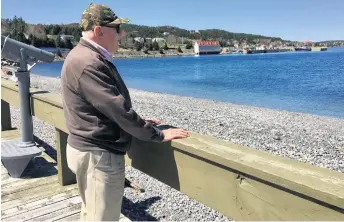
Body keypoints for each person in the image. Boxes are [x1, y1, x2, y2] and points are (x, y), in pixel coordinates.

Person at [60, 3, 189, 221]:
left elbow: (102, 108)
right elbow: (117, 109)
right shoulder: (89, 63)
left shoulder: (83, 56)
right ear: (99, 30)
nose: (122, 33)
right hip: (98, 156)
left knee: (91, 213)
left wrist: (138, 121)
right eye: (117, 28)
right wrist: (157, 134)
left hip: (88, 151)